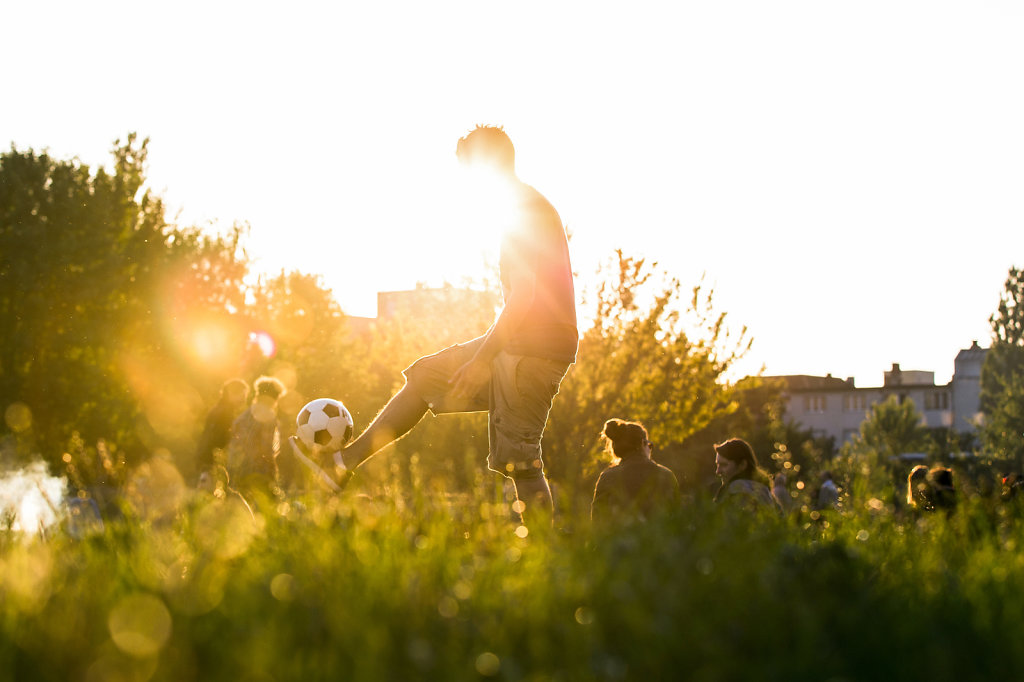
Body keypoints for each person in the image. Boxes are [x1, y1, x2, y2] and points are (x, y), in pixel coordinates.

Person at [292, 125, 577, 527]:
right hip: (521, 347)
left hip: (533, 352)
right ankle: (340, 465)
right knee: (427, 377)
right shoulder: (516, 205)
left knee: (521, 460)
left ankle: (549, 558)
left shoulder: (521, 209)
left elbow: (523, 298)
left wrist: (481, 360)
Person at [591, 419, 679, 525]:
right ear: (643, 443)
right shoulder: (665, 475)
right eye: (649, 446)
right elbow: (677, 519)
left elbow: (596, 523)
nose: (650, 450)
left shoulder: (607, 477)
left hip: (619, 540)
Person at [226, 376, 287, 502]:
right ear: (274, 398)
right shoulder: (269, 417)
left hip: (237, 472)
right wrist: (273, 475)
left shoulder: (242, 417)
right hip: (259, 473)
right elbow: (268, 449)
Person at [195, 378, 249, 489]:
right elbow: (220, 439)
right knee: (211, 492)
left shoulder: (219, 409)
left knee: (207, 492)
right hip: (212, 461)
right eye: (242, 395)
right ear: (232, 394)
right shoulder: (225, 412)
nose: (244, 400)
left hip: (206, 459)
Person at [713, 438, 778, 512]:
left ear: (742, 465)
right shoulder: (765, 492)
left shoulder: (737, 489)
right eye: (717, 465)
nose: (717, 471)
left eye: (724, 465)